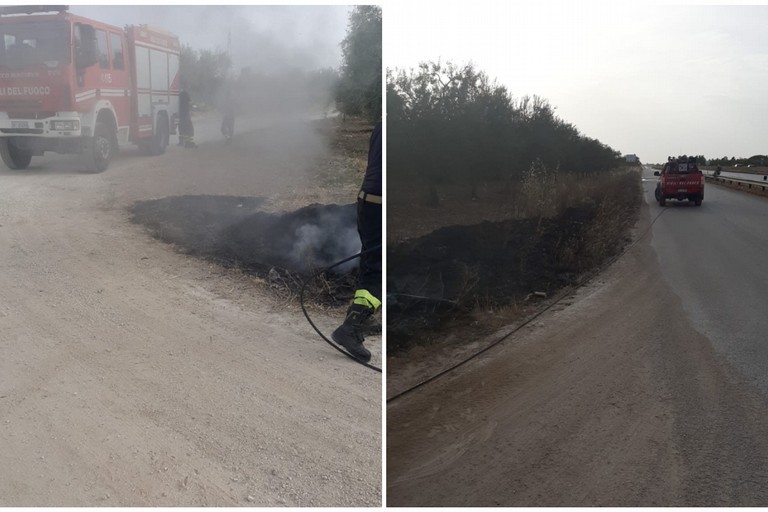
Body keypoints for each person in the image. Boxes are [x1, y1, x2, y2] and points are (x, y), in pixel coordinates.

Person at [331, 121, 382, 363]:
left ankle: (367, 316)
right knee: (378, 271)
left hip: (367, 201)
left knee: (370, 260)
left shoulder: (382, 124)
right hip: (380, 206)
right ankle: (350, 327)